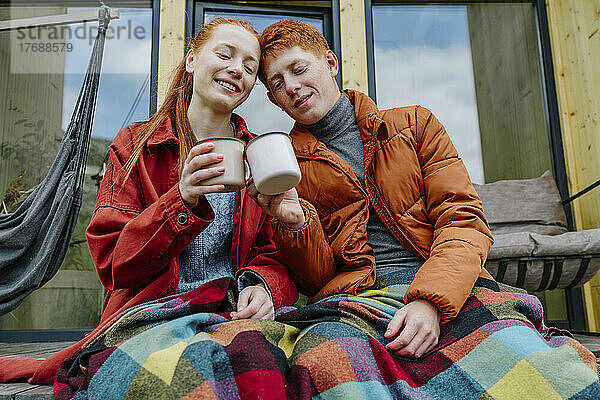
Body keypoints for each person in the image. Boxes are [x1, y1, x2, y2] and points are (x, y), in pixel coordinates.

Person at [0, 17, 296, 386]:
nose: (237, 69)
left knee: (262, 372)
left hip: (230, 315)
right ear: (191, 60)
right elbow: (113, 264)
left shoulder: (258, 156)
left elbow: (273, 255)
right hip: (149, 315)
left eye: (250, 67)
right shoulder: (135, 146)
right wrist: (182, 200)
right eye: (225, 54)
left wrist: (263, 285)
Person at [247, 18, 495, 359]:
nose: (291, 86)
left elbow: (464, 221)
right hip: (354, 299)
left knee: (525, 360)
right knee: (324, 361)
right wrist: (295, 223)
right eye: (277, 83)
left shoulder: (415, 125)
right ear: (274, 100)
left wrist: (431, 300)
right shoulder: (287, 167)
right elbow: (314, 279)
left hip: (445, 282)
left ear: (330, 63)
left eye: (299, 68)